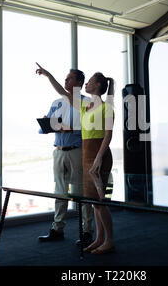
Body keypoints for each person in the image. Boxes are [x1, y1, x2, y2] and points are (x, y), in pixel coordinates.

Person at [36, 62, 116, 255]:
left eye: (89, 82)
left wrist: (98, 159)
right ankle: (98, 238)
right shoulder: (85, 106)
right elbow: (62, 93)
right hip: (86, 154)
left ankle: (108, 240)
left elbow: (108, 135)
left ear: (96, 86)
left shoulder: (105, 107)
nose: (86, 84)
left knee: (99, 203)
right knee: (94, 202)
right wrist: (48, 75)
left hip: (97, 155)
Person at [37, 68, 94, 247]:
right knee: (59, 191)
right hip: (59, 151)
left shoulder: (87, 102)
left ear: (78, 82)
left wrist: (69, 128)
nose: (66, 81)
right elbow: (43, 129)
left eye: (69, 79)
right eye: (65, 79)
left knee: (82, 193)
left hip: (77, 151)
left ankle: (87, 231)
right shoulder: (56, 102)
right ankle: (57, 229)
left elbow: (90, 129)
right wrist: (48, 123)